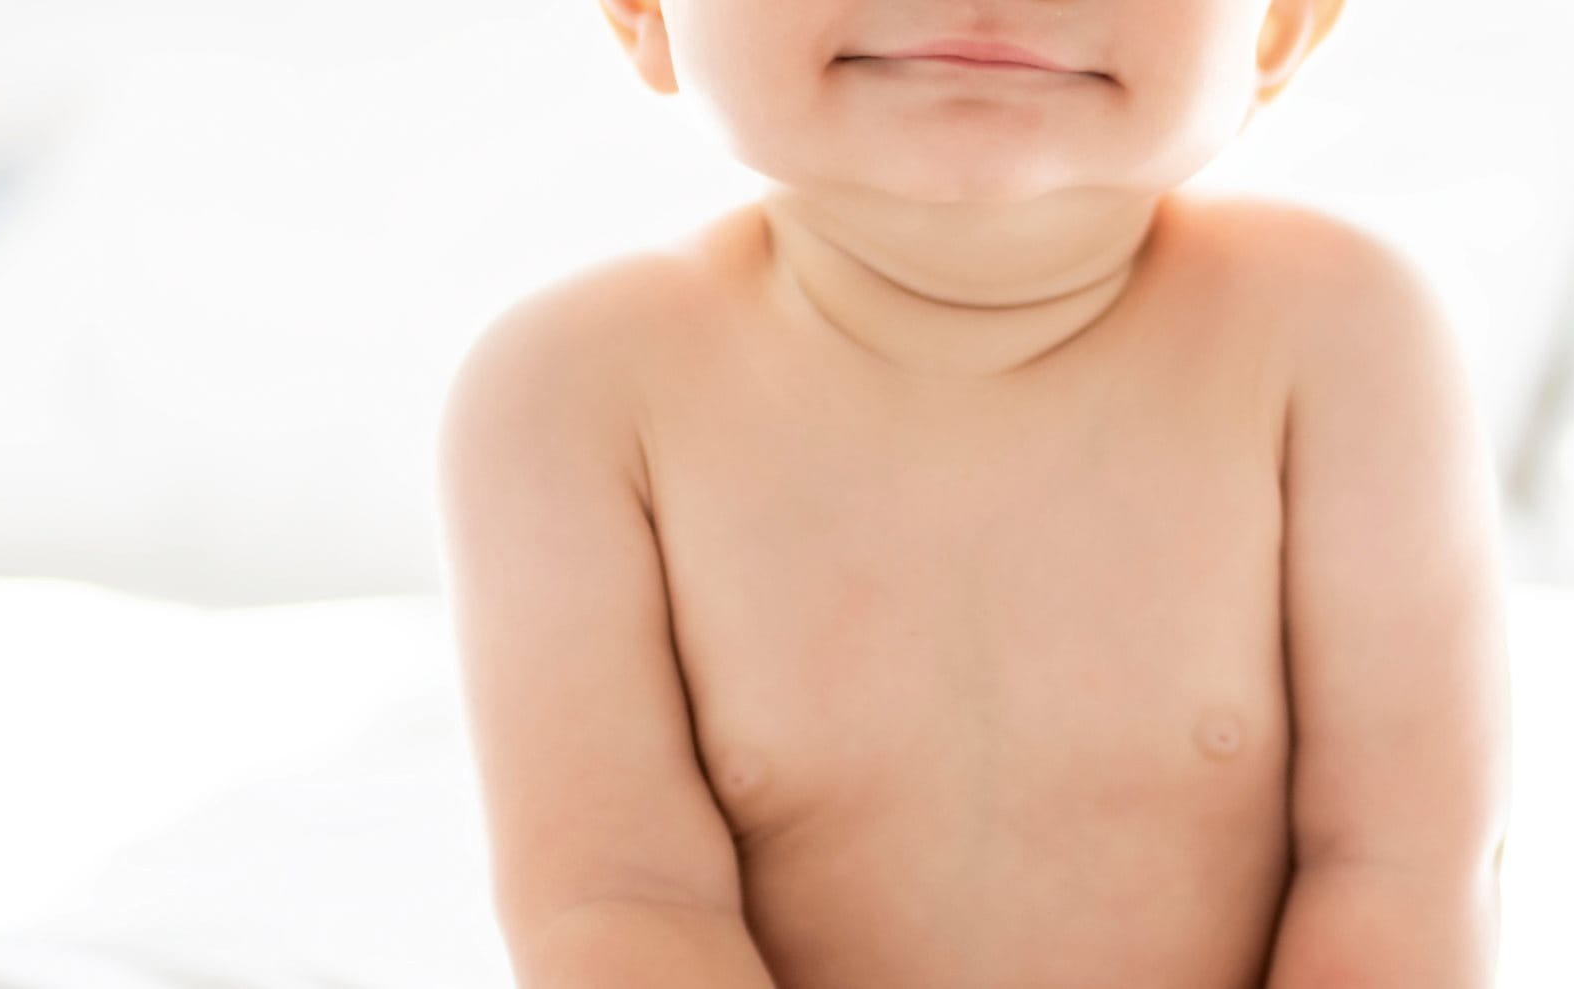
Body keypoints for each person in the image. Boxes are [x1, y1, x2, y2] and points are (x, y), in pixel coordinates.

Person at [439, 0, 1506, 984]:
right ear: (641, 10)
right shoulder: (571, 394)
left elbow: (1400, 869)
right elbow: (615, 902)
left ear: (1279, 27)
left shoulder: (1344, 337)